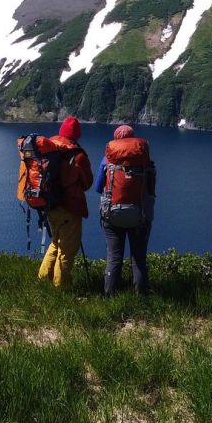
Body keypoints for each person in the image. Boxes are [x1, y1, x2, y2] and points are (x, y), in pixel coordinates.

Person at [96, 124, 156, 295]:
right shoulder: (145, 160)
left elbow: (98, 187)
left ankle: (109, 295)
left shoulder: (107, 160)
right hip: (140, 215)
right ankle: (141, 295)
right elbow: (151, 189)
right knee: (138, 258)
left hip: (112, 215)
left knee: (114, 257)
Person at [35, 116, 93, 288]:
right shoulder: (77, 155)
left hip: (50, 205)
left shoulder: (48, 148)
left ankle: (43, 279)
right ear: (77, 134)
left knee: (56, 242)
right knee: (67, 250)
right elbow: (87, 183)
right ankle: (61, 288)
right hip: (70, 208)